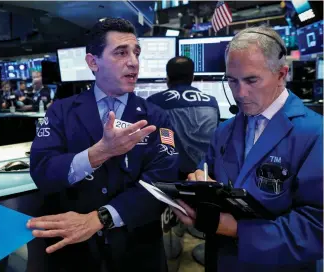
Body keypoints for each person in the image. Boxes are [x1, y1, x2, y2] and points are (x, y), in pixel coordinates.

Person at [28, 18, 179, 272]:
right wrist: (97, 154)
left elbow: (164, 182)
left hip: (138, 250)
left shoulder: (156, 116)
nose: (133, 61)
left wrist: (102, 218)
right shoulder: (61, 112)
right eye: (121, 52)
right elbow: (42, 170)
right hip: (75, 254)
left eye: (136, 52)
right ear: (92, 62)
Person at [172, 26, 323, 272]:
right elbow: (205, 172)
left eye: (251, 80)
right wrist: (197, 187)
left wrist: (232, 228)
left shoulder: (315, 133)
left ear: (281, 74)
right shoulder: (224, 130)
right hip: (221, 261)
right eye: (232, 81)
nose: (240, 94)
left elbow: (317, 228)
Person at [147, 56, 220, 177]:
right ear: (192, 77)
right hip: (204, 174)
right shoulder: (212, 102)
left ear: (168, 77)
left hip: (169, 175)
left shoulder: (154, 102)